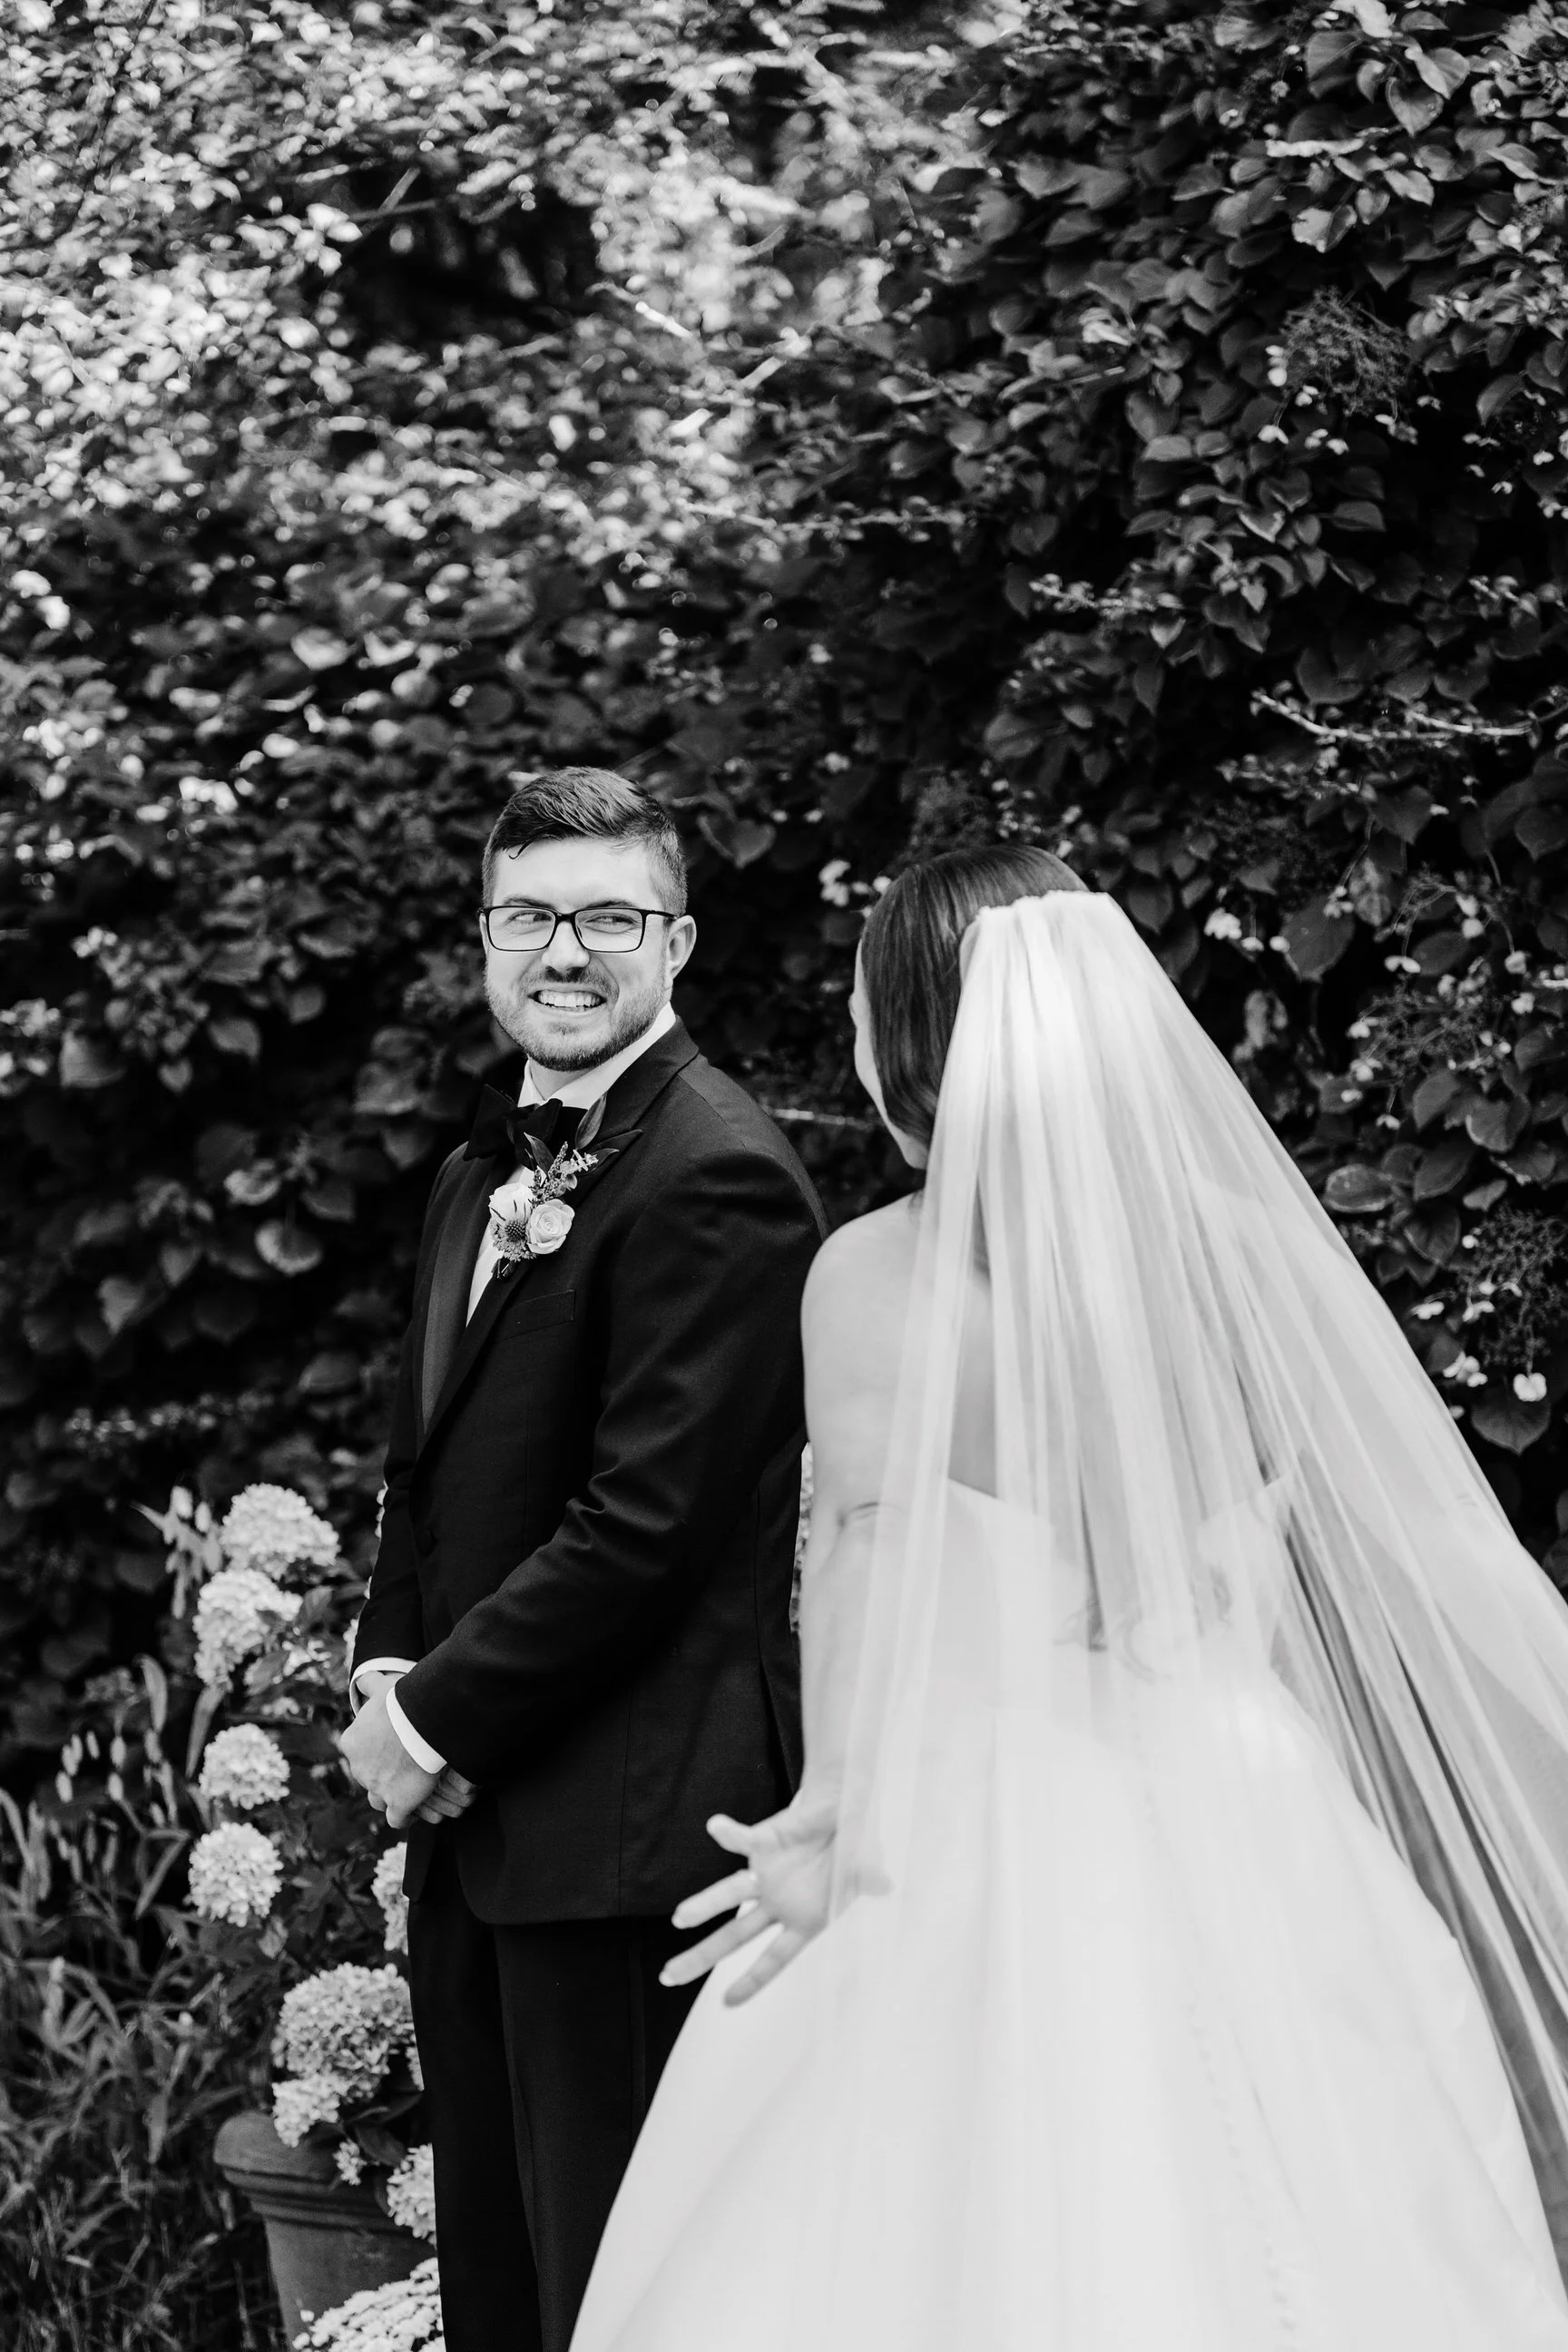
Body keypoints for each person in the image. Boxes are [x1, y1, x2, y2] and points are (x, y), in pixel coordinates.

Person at [568, 844, 1568, 2352]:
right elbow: (1399, 1548)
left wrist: (831, 1808)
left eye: (861, 1003)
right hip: (1254, 1808)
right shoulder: (1239, 1256)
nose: (851, 1029)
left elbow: (862, 1542)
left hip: (979, 1817)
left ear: (913, 1039)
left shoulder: (876, 1274)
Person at [338, 767, 825, 2352]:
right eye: (529, 917)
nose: (564, 952)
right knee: (505, 2292)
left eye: (609, 918)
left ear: (676, 943)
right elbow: (426, 1472)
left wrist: (432, 1725)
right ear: (484, 936)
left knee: (623, 2303)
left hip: (632, 1844)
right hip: (484, 1837)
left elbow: (647, 1527)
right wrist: (387, 1669)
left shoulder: (718, 1171)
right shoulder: (470, 1178)